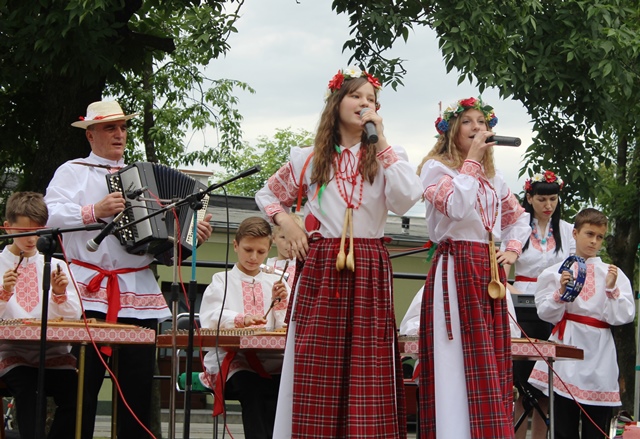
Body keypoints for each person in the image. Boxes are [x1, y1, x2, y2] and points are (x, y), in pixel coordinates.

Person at [256, 66, 422, 438]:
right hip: (323, 263)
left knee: (369, 365)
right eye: (356, 96)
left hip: (368, 263)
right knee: (317, 361)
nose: (365, 104)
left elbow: (407, 198)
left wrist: (381, 142)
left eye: (372, 100)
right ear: (337, 102)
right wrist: (286, 222)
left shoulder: (387, 155)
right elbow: (266, 194)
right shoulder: (308, 158)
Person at [43, 100, 213, 439]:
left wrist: (190, 238)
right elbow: (48, 217)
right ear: (90, 135)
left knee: (136, 390)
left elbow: (162, 247)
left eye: (122, 127)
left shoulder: (143, 175)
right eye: (110, 128)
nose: (119, 134)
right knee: (82, 390)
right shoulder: (72, 171)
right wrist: (94, 210)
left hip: (138, 291)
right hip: (88, 292)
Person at [417, 96, 531, 439]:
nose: (478, 127)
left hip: (488, 269)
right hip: (455, 266)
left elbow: (518, 220)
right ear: (452, 129)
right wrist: (471, 162)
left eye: (482, 122)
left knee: (489, 357)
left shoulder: (494, 182)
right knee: (454, 354)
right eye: (468, 121)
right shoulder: (436, 169)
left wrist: (511, 251)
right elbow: (455, 205)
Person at [528, 208, 635, 439]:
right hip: (568, 349)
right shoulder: (556, 272)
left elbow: (624, 316)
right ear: (575, 233)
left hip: (599, 354)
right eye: (589, 234)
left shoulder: (612, 273)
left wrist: (611, 289)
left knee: (596, 429)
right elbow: (545, 312)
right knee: (563, 427)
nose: (594, 241)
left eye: (599, 237)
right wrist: (561, 292)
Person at [198, 216, 289, 439]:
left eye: (261, 252)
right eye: (248, 249)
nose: (253, 257)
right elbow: (209, 317)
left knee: (286, 390)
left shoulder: (277, 281)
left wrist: (282, 304)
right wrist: (241, 319)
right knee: (253, 388)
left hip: (270, 359)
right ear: (236, 245)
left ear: (269, 249)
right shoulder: (221, 280)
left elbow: (284, 325)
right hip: (232, 360)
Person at [0, 191, 81, 439]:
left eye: (37, 232)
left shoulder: (56, 265)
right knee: (29, 388)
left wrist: (59, 294)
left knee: (77, 394)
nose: (31, 239)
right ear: (7, 227)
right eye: (24, 232)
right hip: (12, 354)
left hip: (53, 353)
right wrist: (3, 293)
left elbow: (73, 317)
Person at [503, 170, 575, 439]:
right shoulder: (518, 228)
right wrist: (514, 293)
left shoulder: (567, 231)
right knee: (522, 382)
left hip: (554, 306)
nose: (548, 206)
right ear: (529, 198)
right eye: (542, 199)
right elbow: (501, 268)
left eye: (553, 199)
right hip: (521, 301)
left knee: (545, 386)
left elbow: (574, 268)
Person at [265, 212, 302, 289]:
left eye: (294, 237)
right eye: (283, 237)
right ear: (274, 238)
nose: (289, 242)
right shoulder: (268, 265)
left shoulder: (303, 265)